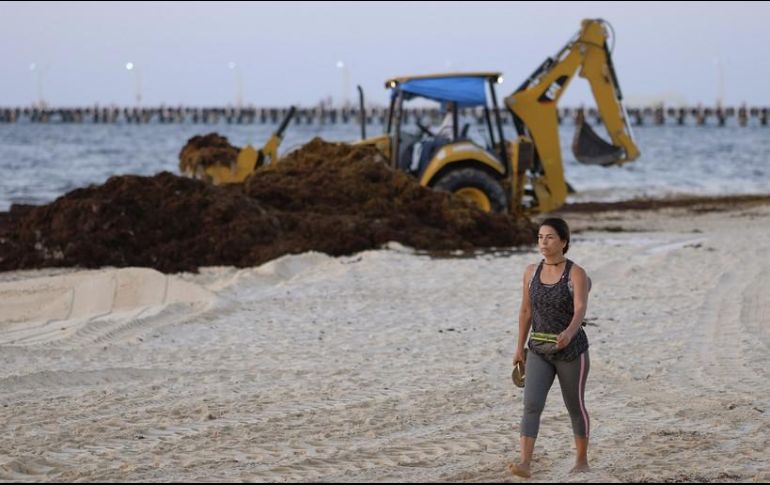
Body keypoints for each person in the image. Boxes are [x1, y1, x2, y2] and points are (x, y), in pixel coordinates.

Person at [510, 217, 592, 478]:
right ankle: (525, 462)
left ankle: (581, 460)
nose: (543, 242)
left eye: (550, 237)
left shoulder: (576, 273)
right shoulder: (530, 272)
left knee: (574, 406)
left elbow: (580, 308)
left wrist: (569, 332)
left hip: (570, 351)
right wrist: (519, 347)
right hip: (538, 350)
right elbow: (525, 311)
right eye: (540, 237)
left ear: (563, 242)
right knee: (531, 405)